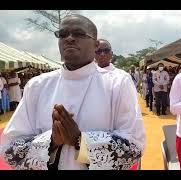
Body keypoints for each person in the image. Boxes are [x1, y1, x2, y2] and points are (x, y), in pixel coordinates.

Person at [0, 14, 145, 170]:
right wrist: (52, 140)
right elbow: (9, 149)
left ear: (96, 45)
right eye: (62, 34)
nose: (69, 38)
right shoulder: (37, 85)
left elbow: (134, 145)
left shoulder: (118, 82)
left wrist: (80, 140)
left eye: (78, 33)